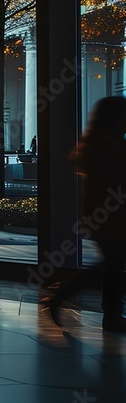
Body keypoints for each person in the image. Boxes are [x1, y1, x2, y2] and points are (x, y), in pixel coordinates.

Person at [43, 97, 126, 333]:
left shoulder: (100, 144)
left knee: (112, 265)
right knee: (112, 265)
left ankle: (108, 313)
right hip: (112, 216)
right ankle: (72, 295)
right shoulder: (107, 146)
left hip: (107, 216)